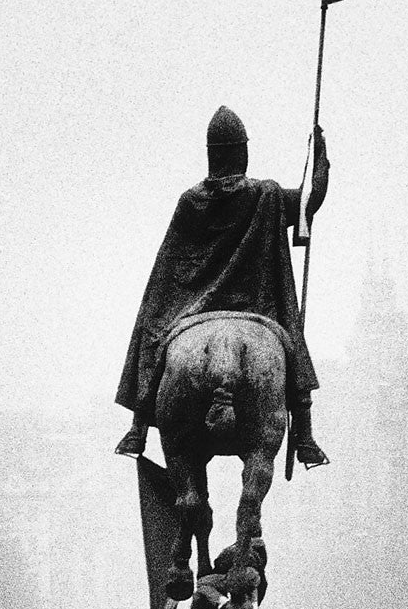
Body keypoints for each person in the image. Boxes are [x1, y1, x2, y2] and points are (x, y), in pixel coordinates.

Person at [115, 106, 330, 466]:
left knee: (153, 317)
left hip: (192, 310)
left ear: (212, 155)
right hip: (256, 309)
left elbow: (168, 271)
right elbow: (314, 200)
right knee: (290, 341)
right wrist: (322, 161)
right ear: (242, 152)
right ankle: (304, 433)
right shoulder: (268, 196)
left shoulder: (190, 201)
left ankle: (138, 424)